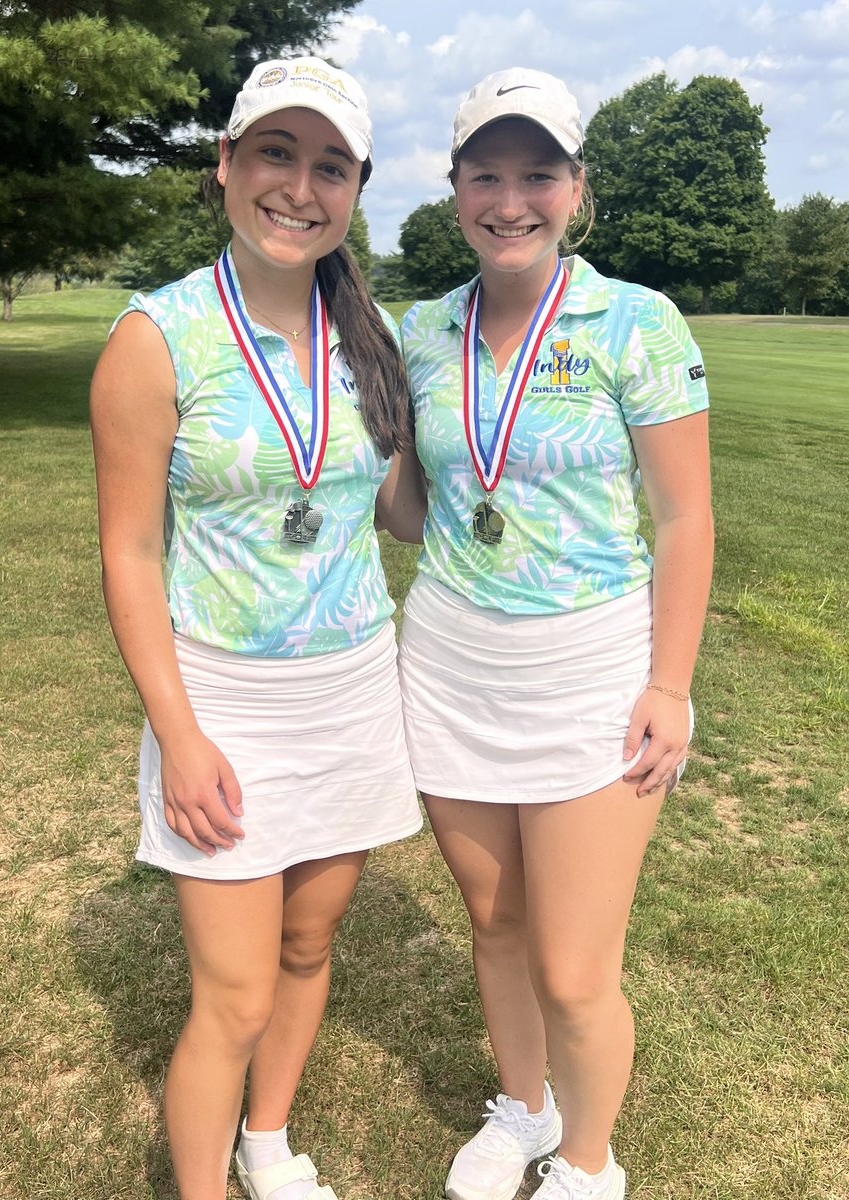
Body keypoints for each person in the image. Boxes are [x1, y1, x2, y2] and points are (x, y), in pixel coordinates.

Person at [90, 56, 424, 1200]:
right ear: (227, 165)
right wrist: (178, 735)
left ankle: (267, 1142)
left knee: (307, 946)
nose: (300, 186)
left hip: (353, 687)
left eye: (331, 165)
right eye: (276, 153)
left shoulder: (369, 335)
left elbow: (402, 509)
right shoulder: (157, 337)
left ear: (356, 189)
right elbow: (130, 554)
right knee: (232, 996)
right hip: (222, 700)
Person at [398, 68, 714, 1200]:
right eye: (486, 174)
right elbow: (412, 504)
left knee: (575, 970)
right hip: (449, 659)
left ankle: (588, 1161)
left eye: (538, 174)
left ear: (577, 188)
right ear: (455, 188)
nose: (510, 200)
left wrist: (669, 683)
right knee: (495, 923)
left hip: (590, 668)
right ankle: (525, 1109)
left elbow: (684, 518)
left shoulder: (637, 321)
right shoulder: (423, 329)